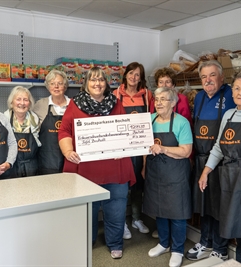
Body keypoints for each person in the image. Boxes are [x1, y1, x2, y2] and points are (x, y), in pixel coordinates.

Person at [58, 67, 136, 260]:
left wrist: (122, 147)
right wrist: (68, 151)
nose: (97, 83)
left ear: (106, 83)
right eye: (93, 80)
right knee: (87, 209)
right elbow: (65, 131)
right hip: (85, 169)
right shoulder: (75, 104)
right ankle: (87, 241)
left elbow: (125, 130)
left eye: (101, 80)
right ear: (86, 83)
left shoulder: (115, 103)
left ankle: (115, 243)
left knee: (116, 209)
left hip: (114, 168)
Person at [198, 69, 241, 266]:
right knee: (239, 233)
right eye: (237, 88)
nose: (240, 92)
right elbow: (219, 147)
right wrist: (206, 171)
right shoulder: (229, 114)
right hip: (228, 179)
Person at [186, 60, 236, 261]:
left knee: (219, 206)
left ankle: (220, 248)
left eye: (212, 75)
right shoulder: (198, 97)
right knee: (204, 204)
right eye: (204, 76)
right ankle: (205, 243)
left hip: (222, 161)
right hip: (201, 159)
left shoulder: (231, 95)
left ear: (222, 77)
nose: (208, 80)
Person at [144, 87, 193, 267]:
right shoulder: (149, 120)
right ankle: (164, 243)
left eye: (163, 99)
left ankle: (178, 249)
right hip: (155, 173)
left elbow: (186, 151)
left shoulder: (182, 123)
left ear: (173, 103)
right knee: (160, 210)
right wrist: (143, 167)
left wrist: (164, 149)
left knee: (177, 213)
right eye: (156, 99)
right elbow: (141, 146)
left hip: (175, 175)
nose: (158, 102)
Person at [113, 62, 153, 239]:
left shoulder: (147, 96)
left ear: (141, 78)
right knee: (121, 186)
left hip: (140, 146)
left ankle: (137, 219)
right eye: (131, 73)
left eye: (137, 75)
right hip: (122, 147)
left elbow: (152, 120)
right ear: (125, 75)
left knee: (138, 184)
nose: (133, 77)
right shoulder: (116, 94)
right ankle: (121, 223)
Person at [33, 69, 70, 174]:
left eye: (60, 83)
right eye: (52, 83)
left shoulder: (73, 104)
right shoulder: (40, 105)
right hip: (46, 161)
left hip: (69, 160)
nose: (56, 86)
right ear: (48, 86)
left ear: (65, 86)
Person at [4, 86, 41, 178]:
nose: (22, 103)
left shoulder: (35, 119)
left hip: (32, 164)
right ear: (12, 102)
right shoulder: (4, 118)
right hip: (11, 164)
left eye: (25, 100)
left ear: (29, 103)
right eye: (18, 99)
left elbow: (38, 142)